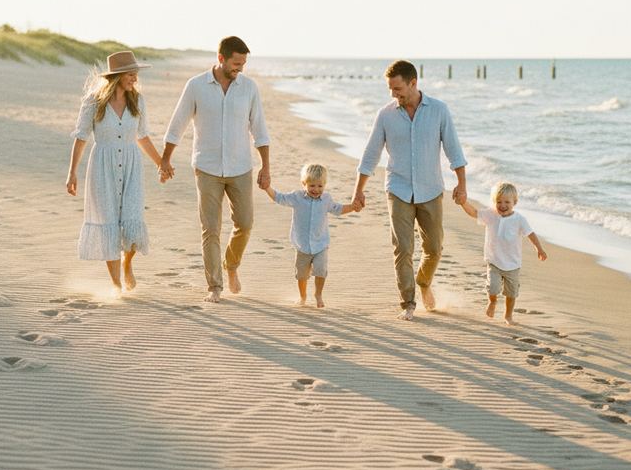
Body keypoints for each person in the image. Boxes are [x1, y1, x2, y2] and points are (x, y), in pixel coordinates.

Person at [159, 36, 270, 303]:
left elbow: (260, 130)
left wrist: (266, 167)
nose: (240, 68)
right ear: (221, 58)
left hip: (241, 167)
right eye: (235, 63)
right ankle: (215, 286)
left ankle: (231, 265)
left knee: (245, 223)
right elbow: (177, 125)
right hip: (207, 168)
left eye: (243, 63)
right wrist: (165, 160)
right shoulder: (196, 86)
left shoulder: (249, 88)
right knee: (210, 229)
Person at [354, 60, 467, 321]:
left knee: (434, 248)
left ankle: (423, 281)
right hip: (398, 189)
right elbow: (371, 153)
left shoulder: (439, 110)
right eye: (391, 90)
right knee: (403, 248)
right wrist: (359, 190)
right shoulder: (385, 115)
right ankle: (408, 302)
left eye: (397, 88)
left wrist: (462, 184)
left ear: (413, 83)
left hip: (431, 189)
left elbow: (454, 149)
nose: (394, 94)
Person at [67, 50, 164, 292]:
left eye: (136, 74)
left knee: (132, 221)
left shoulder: (138, 101)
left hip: (132, 167)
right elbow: (81, 137)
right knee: (108, 223)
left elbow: (142, 137)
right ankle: (116, 284)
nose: (135, 79)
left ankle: (127, 262)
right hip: (102, 168)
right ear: (118, 75)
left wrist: (161, 162)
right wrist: (72, 172)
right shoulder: (93, 101)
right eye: (131, 74)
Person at [262, 163, 360, 308]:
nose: (316, 189)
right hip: (302, 245)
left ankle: (318, 294)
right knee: (301, 275)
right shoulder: (296, 197)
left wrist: (352, 207)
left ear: (324, 185)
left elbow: (338, 209)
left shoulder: (326, 199)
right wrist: (267, 188)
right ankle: (303, 296)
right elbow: (279, 198)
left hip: (320, 244)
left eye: (320, 186)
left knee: (321, 270)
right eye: (312, 185)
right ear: (304, 184)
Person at [458, 181, 548, 325]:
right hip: (494, 260)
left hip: (513, 263)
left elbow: (530, 234)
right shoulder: (491, 214)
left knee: (511, 293)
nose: (502, 205)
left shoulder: (519, 219)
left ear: (515, 202)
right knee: (493, 288)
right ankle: (492, 302)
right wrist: (463, 203)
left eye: (507, 202)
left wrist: (539, 248)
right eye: (499, 202)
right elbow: (474, 213)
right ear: (494, 202)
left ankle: (508, 315)